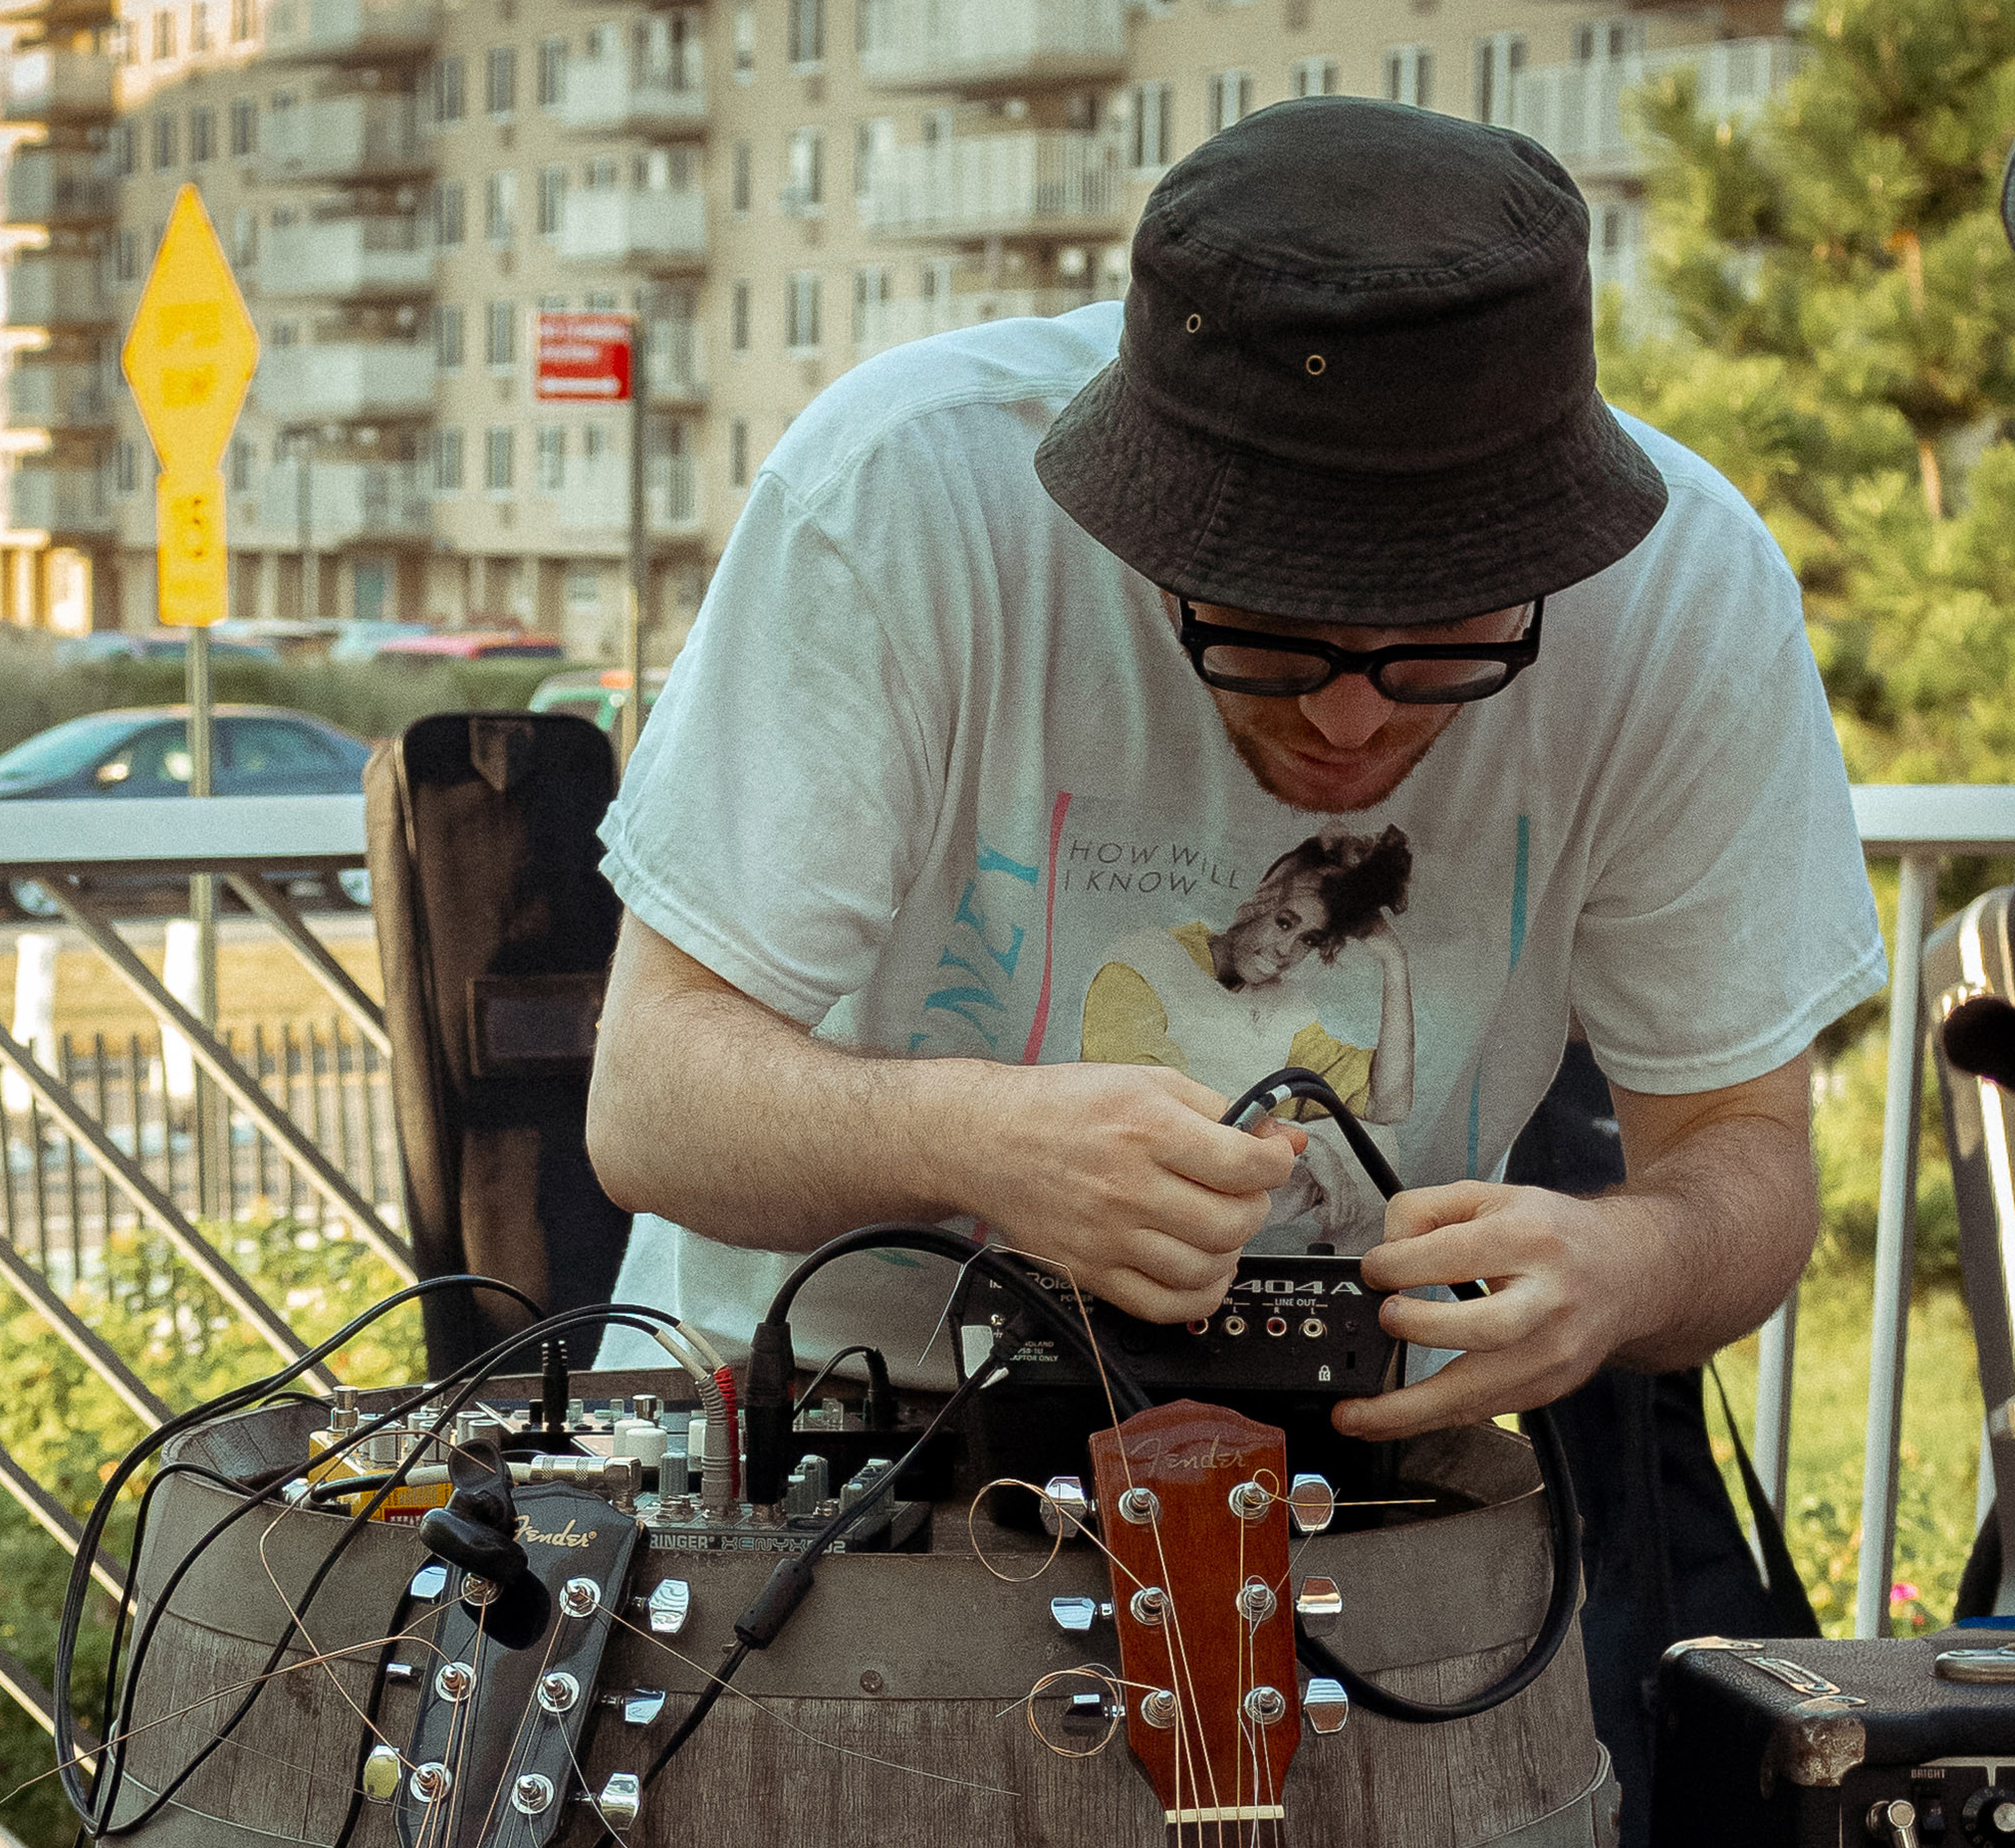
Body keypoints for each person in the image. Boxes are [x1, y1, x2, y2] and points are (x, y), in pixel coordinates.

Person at [584, 98, 1887, 1431]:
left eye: (1440, 649)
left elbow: (1747, 1156)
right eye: (1272, 641)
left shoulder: (1685, 596)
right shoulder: (899, 497)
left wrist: (1631, 1265)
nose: (1347, 723)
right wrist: (975, 1141)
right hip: (824, 1423)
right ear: (1134, 526)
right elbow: (650, 1099)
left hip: (1362, 1453)